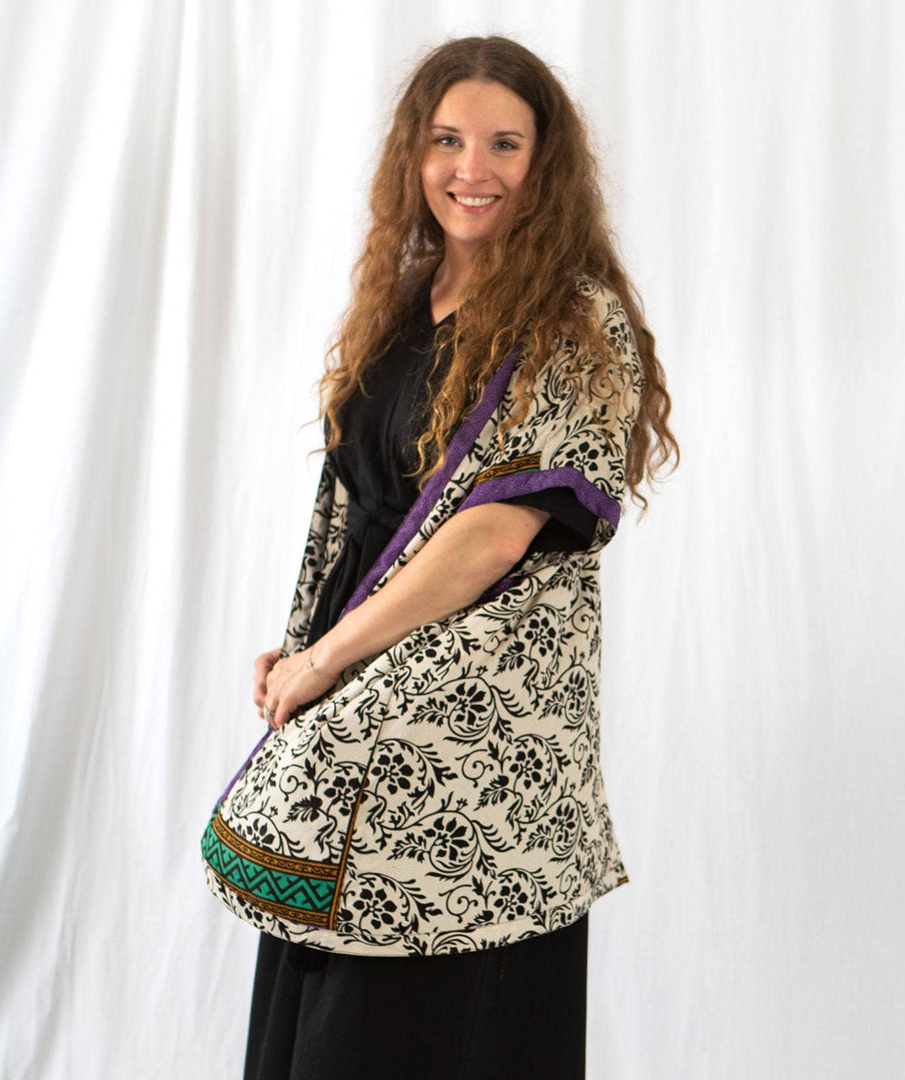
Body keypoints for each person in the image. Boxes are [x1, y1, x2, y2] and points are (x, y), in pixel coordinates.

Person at [201, 34, 677, 1080]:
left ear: (544, 165)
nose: (474, 169)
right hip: (356, 716)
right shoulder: (400, 304)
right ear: (413, 157)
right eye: (447, 140)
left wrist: (329, 663)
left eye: (505, 144)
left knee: (416, 1028)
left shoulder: (574, 322)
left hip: (468, 761)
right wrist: (299, 652)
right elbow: (350, 510)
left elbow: (489, 537)